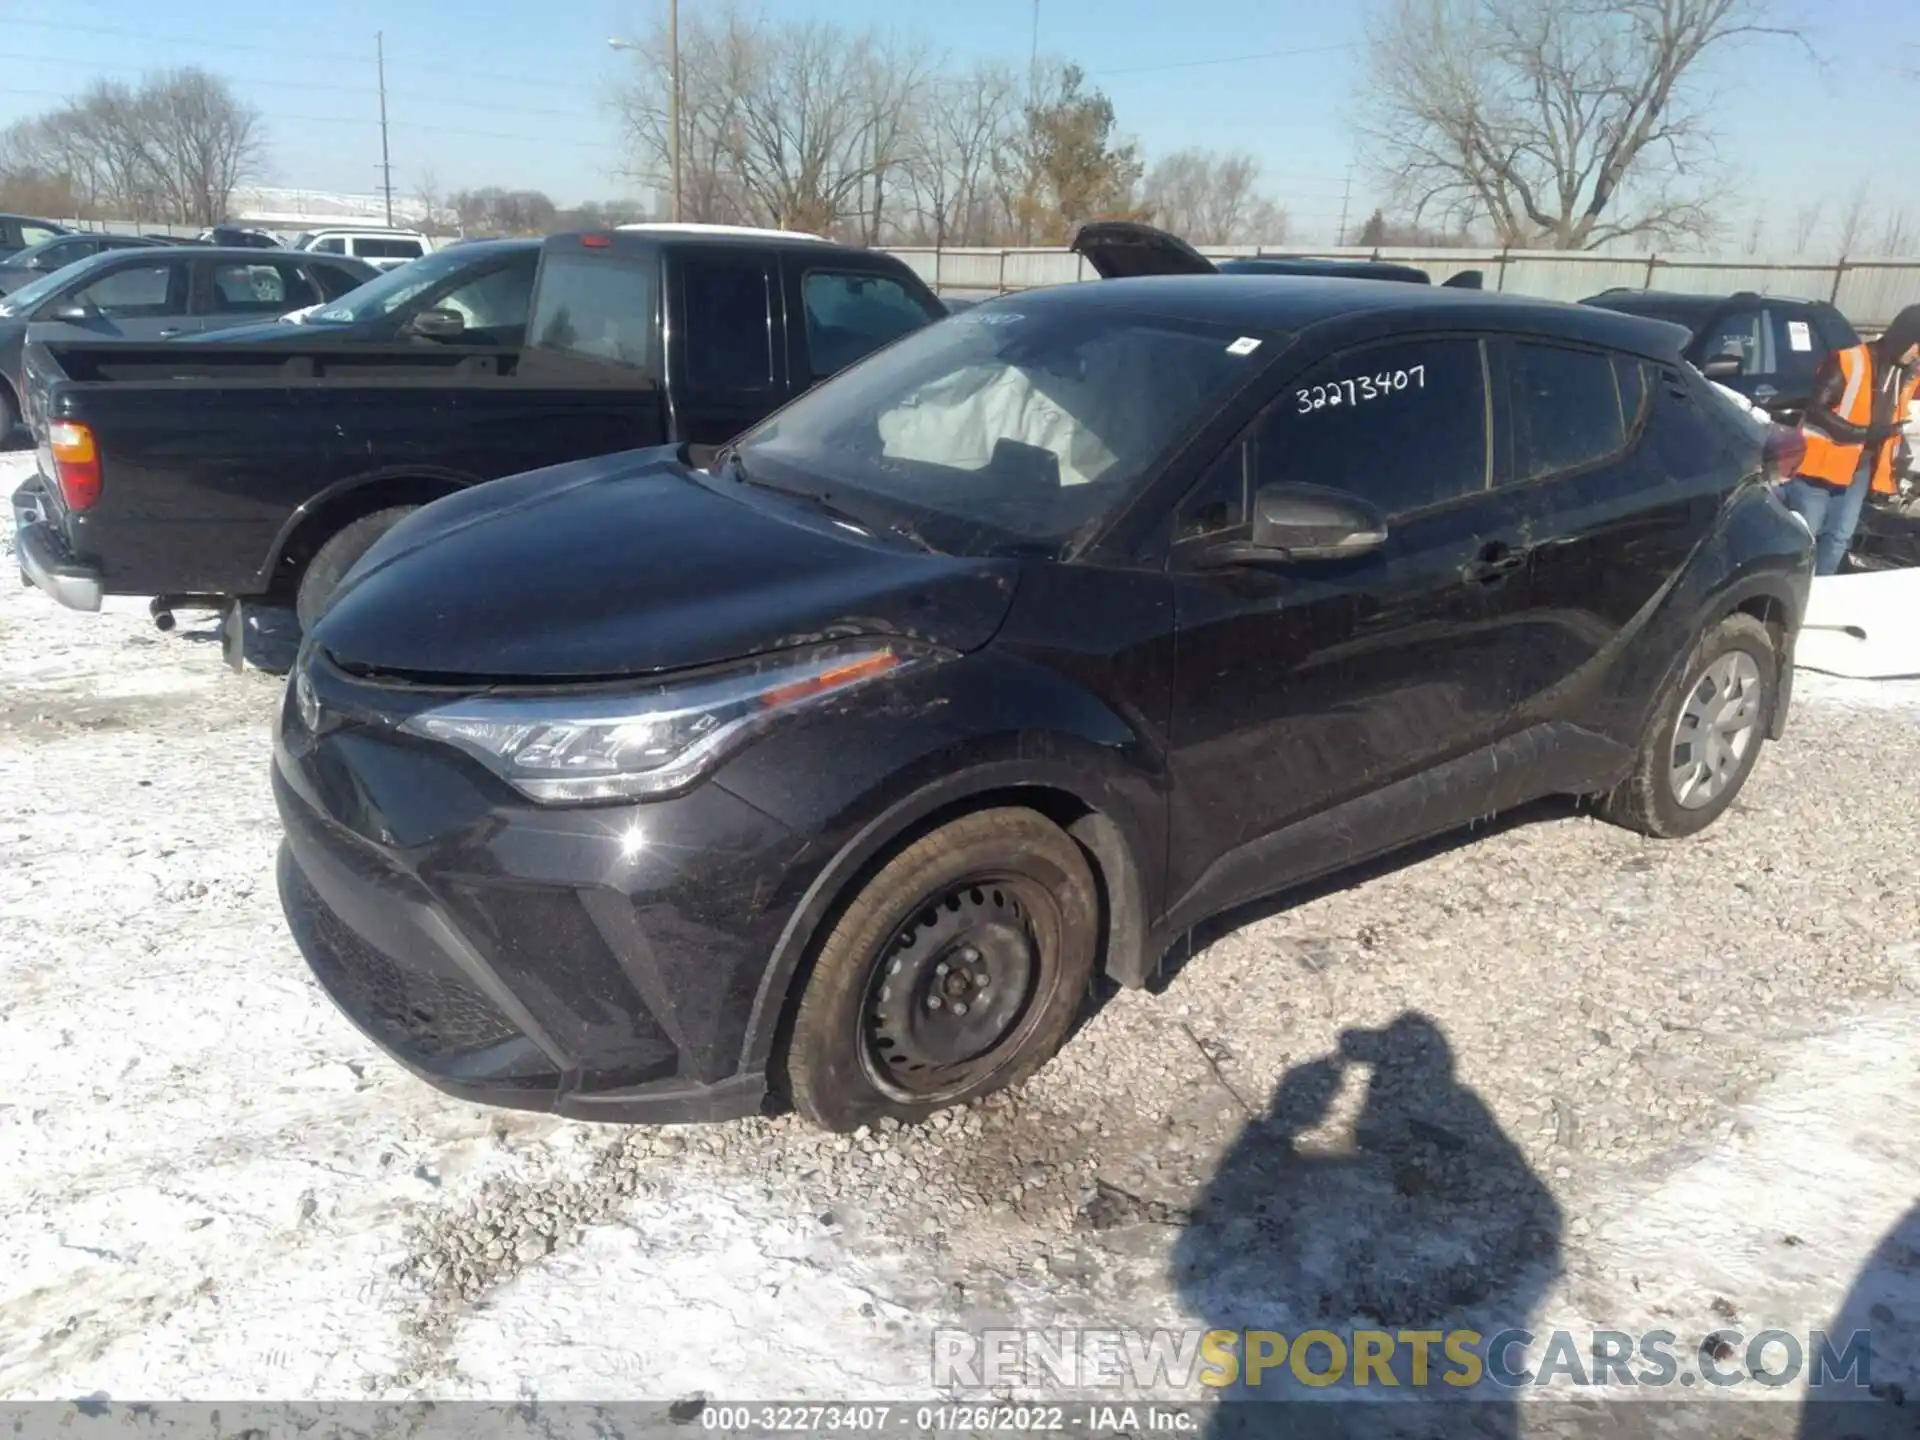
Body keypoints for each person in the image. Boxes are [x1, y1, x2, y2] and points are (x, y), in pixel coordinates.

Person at [1781, 304, 1920, 576]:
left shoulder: (1904, 374)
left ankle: (1821, 593)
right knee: (1805, 538)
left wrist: (1888, 472)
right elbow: (1816, 410)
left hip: (1858, 469)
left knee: (1839, 538)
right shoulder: (1848, 361)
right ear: (1905, 337)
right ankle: (1790, 592)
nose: (1918, 353)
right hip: (1818, 470)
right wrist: (1863, 434)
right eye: (1917, 345)